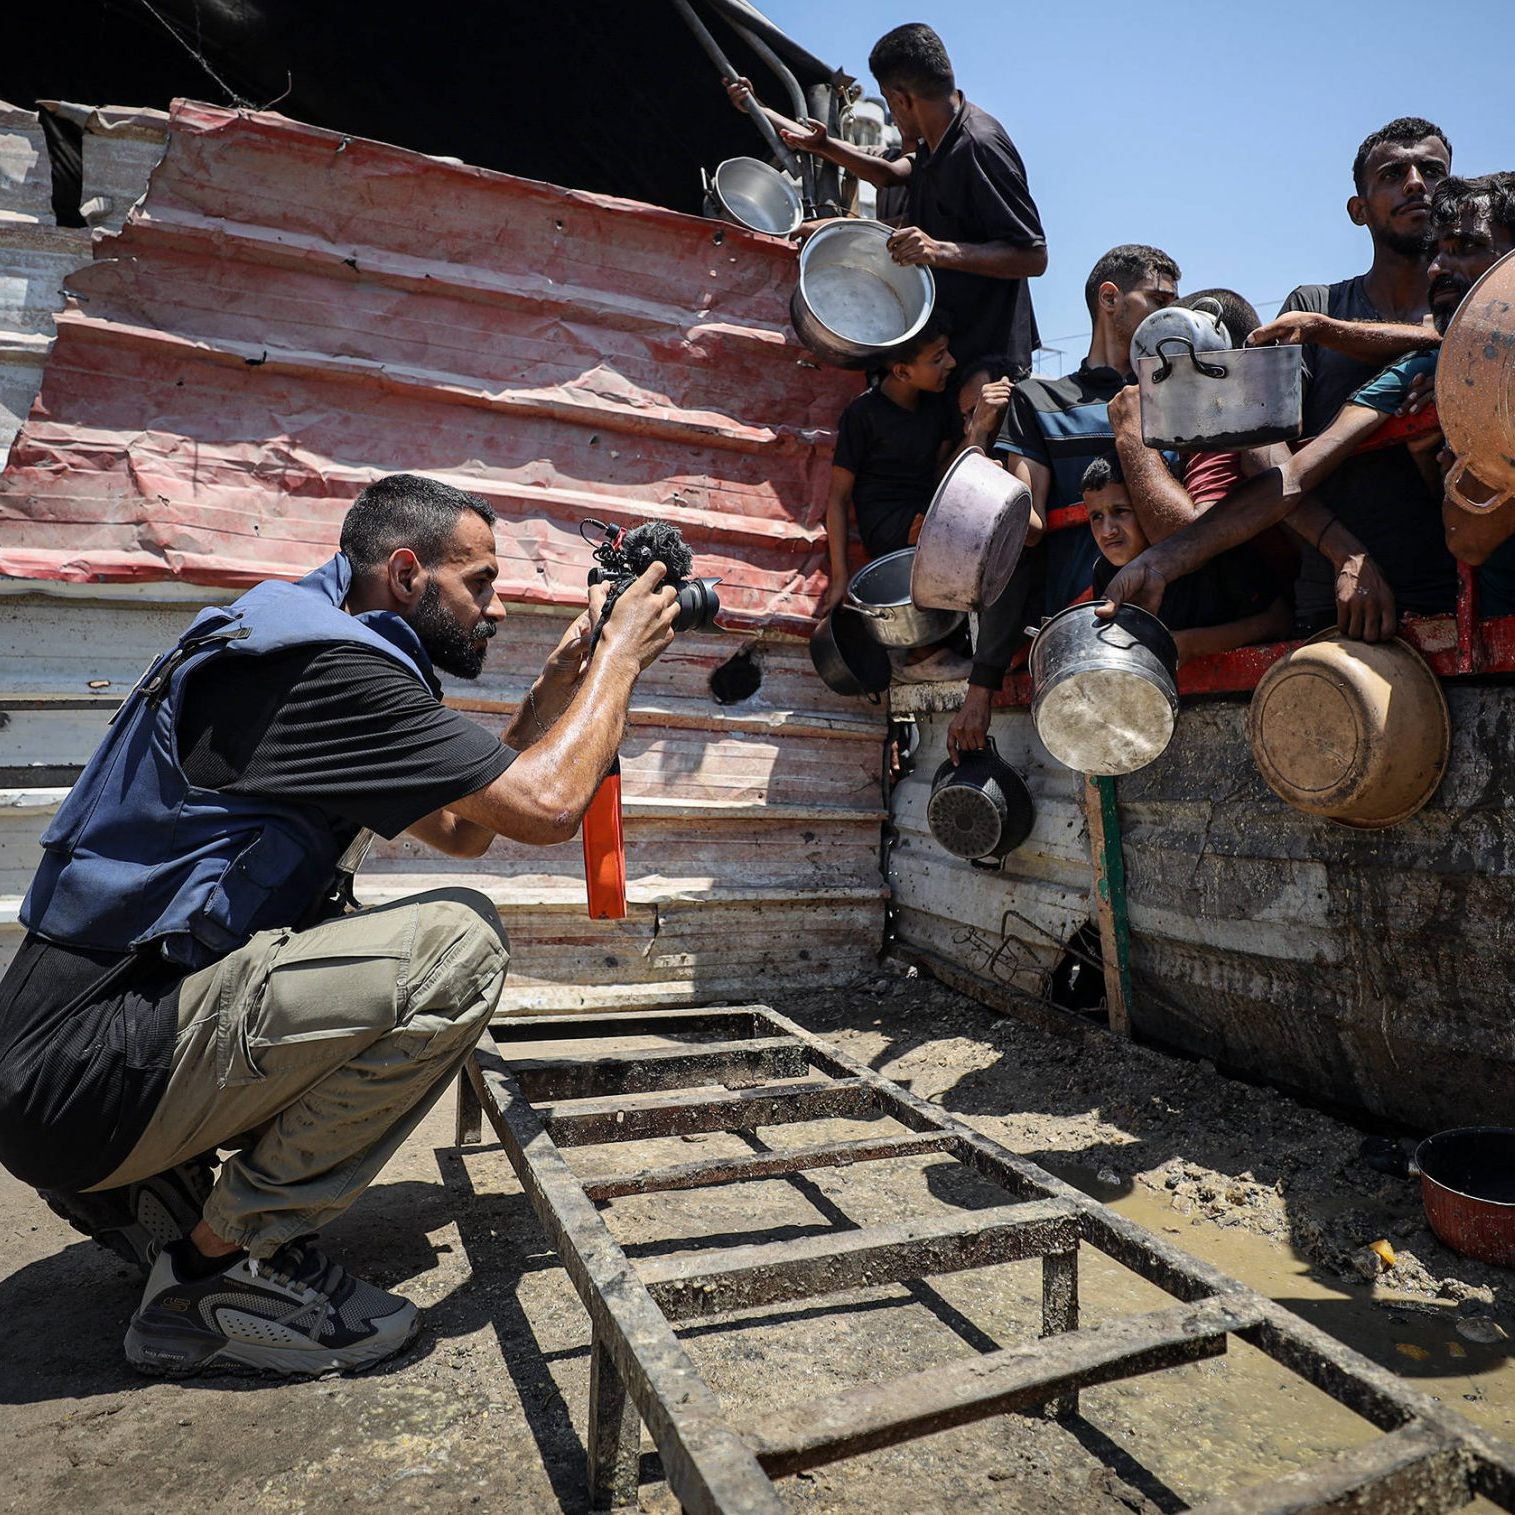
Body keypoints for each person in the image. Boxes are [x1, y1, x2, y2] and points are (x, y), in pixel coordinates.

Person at [0, 474, 679, 1378]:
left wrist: (562, 686)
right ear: (406, 573)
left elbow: (463, 827)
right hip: (85, 1077)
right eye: (478, 582)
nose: (499, 607)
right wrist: (623, 659)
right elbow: (551, 806)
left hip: (59, 1069)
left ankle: (142, 1192)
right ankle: (215, 1272)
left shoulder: (296, 642)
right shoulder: (330, 673)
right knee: (455, 948)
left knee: (359, 934)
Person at [1101, 172, 1512, 638]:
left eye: (1463, 247)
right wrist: (1161, 563)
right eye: (1438, 250)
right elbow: (1292, 477)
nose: (1437, 267)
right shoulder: (1425, 366)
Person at [948, 244, 1181, 759]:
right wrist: (982, 683)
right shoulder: (1038, 401)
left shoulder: (1177, 397)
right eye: (1159, 300)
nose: (1171, 314)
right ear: (1110, 298)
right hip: (1081, 641)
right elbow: (1021, 537)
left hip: (1181, 634)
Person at [733, 23, 1046, 375]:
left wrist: (939, 251)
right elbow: (889, 175)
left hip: (986, 360)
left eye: (887, 101)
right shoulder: (934, 140)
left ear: (901, 99)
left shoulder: (979, 145)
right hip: (941, 353)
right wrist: (784, 125)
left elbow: (1033, 256)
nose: (892, 113)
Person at [1262, 117, 1457, 630]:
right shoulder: (1313, 306)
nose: (1416, 183)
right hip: (1334, 596)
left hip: (1459, 592)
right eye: (1393, 174)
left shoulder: (1476, 317)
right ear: (1359, 210)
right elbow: (1264, 456)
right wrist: (1344, 554)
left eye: (1432, 171)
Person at [1083, 455, 1290, 663]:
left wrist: (1189, 644)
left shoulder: (1213, 549)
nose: (1108, 530)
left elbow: (1280, 620)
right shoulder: (1105, 571)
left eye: (1120, 511)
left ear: (1148, 506)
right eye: (1096, 517)